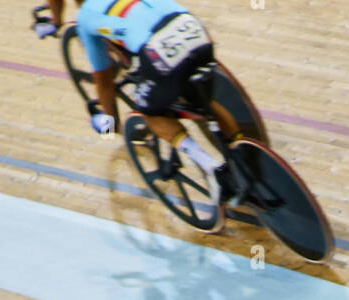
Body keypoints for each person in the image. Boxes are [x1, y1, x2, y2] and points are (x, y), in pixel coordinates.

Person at [33, 0, 228, 228]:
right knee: (204, 101)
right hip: (193, 28)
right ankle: (242, 151)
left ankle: (210, 167)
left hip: (158, 50)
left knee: (150, 112)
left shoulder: (86, 16)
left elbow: (104, 82)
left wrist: (108, 126)